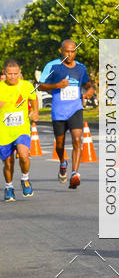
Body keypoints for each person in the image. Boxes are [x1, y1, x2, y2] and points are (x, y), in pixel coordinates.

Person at [38, 40, 95, 189]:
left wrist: (89, 91)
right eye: (66, 52)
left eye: (72, 51)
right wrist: (57, 85)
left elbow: (88, 84)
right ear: (61, 51)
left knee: (77, 139)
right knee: (60, 145)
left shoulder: (81, 68)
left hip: (75, 109)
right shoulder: (52, 66)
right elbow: (40, 86)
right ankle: (63, 163)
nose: (69, 55)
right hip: (59, 111)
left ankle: (75, 174)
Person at [0, 59, 38, 200]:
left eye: (15, 73)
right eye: (9, 74)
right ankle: (9, 187)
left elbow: (34, 98)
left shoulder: (26, 85)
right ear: (4, 72)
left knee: (23, 155)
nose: (13, 77)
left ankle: (25, 179)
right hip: (4, 131)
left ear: (20, 72)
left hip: (21, 129)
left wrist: (35, 111)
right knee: (8, 162)